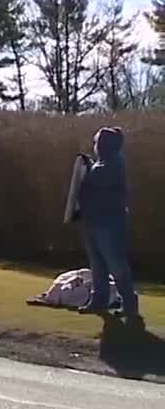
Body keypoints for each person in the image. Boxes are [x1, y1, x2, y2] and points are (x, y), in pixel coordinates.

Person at [76, 127, 139, 321]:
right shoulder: (104, 163)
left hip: (110, 222)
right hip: (96, 220)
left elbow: (94, 182)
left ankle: (129, 304)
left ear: (104, 145)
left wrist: (85, 169)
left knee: (115, 262)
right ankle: (99, 301)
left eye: (97, 142)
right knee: (98, 264)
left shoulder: (113, 164)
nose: (95, 146)